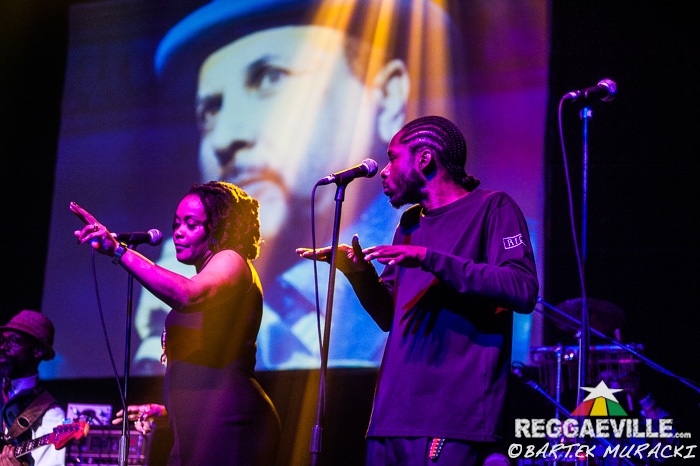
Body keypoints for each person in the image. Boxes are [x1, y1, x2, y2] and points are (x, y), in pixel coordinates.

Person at [132, 0, 460, 372]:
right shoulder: (224, 277)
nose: (224, 138)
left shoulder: (434, 239)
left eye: (271, 79)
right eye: (210, 111)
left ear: (386, 97)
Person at [296, 115, 539, 465]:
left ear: (424, 159)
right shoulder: (410, 223)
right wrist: (357, 272)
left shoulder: (493, 207)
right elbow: (389, 315)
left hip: (452, 416)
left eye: (393, 158)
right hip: (390, 417)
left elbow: (522, 288)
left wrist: (429, 258)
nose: (384, 171)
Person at [70, 180, 281, 465]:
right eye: (176, 224)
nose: (179, 232)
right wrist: (167, 412)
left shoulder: (232, 259)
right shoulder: (209, 276)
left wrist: (119, 251)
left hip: (232, 422)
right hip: (199, 428)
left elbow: (187, 295)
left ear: (220, 229)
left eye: (191, 224)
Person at [0, 310, 66, 466]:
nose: (3, 347)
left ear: (37, 351)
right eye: (2, 340)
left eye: (14, 341)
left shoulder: (51, 417)